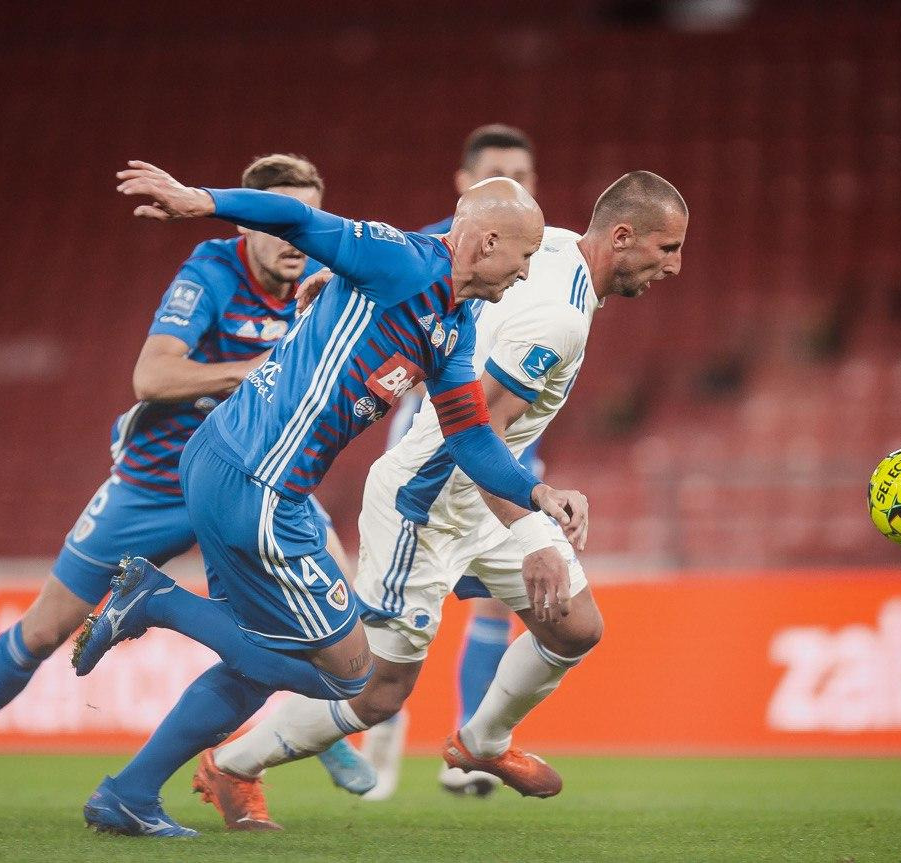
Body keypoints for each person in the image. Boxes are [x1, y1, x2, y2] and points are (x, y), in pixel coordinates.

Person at [69, 160, 590, 837]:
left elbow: (469, 435)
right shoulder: (401, 259)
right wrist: (200, 199)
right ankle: (157, 600)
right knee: (351, 676)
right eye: (523, 256)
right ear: (488, 242)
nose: (524, 273)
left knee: (254, 662)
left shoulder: (454, 326)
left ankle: (129, 793)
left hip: (233, 467)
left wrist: (536, 489)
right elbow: (297, 218)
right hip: (257, 482)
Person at [196, 171, 688, 827]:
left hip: (483, 500)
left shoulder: (550, 245)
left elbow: (448, 240)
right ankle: (232, 764)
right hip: (426, 503)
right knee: (378, 693)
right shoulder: (558, 322)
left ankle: (481, 744)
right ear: (622, 236)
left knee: (574, 626)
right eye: (667, 247)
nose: (674, 266)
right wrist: (536, 538)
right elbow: (478, 433)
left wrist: (344, 277)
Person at [0, 154, 347, 817]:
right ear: (245, 223)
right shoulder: (210, 273)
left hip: (250, 483)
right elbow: (153, 377)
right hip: (156, 484)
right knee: (44, 631)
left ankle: (301, 732)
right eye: (277, 221)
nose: (293, 237)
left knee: (331, 621)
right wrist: (257, 369)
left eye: (304, 221)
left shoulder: (327, 281)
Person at [368, 122, 542, 799]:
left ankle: (467, 750)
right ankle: (380, 720)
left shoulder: (543, 255)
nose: (512, 186)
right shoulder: (427, 251)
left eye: (522, 176)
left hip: (507, 444)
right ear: (464, 185)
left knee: (499, 598)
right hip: (433, 446)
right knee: (395, 608)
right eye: (497, 174)